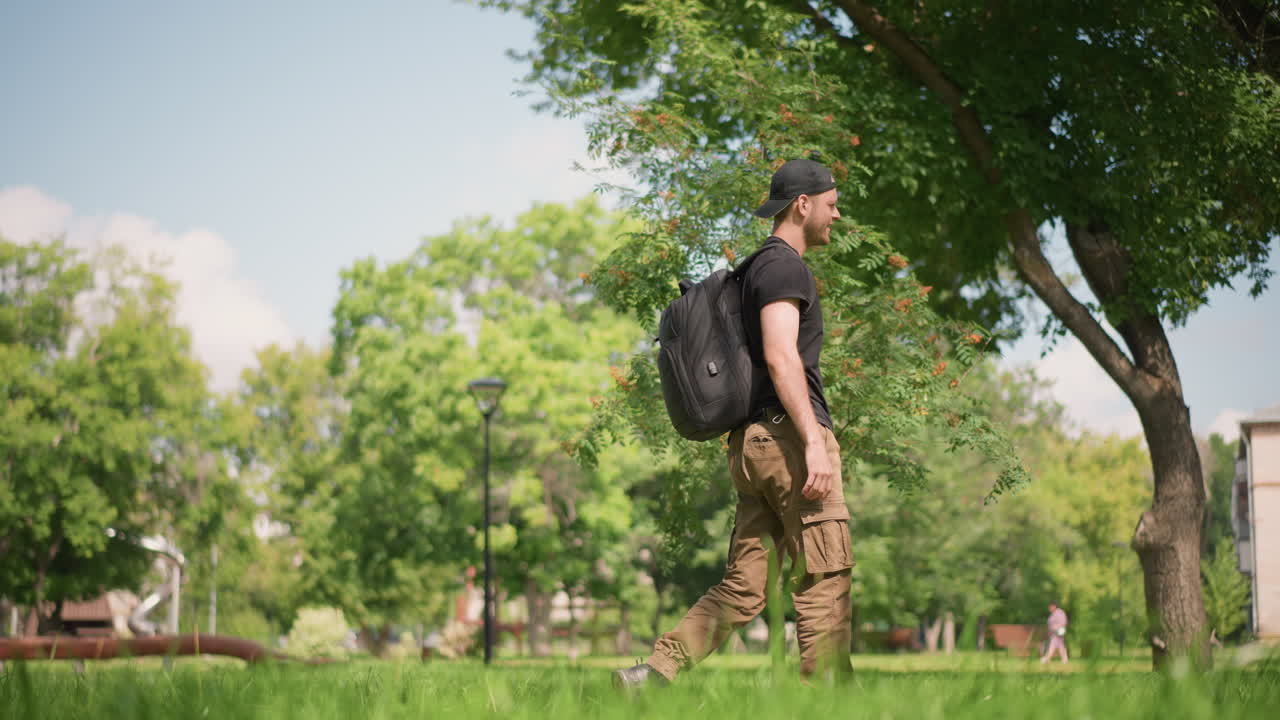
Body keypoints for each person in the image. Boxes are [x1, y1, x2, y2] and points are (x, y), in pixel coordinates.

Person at [614, 158, 854, 688]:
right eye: (833, 206)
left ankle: (656, 673)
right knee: (824, 571)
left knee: (746, 584)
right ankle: (831, 697)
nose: (837, 217)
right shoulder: (784, 267)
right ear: (803, 204)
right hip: (789, 439)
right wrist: (813, 441)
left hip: (752, 445)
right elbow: (781, 354)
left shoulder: (753, 270)